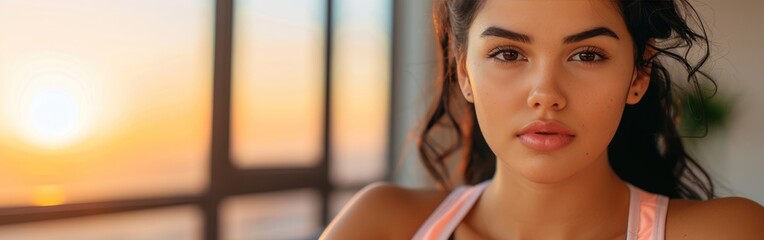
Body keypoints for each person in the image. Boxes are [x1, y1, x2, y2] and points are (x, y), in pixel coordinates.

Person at [320, 0, 764, 239]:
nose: (546, 95)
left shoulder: (729, 232)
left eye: (587, 55)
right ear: (463, 72)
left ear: (638, 73)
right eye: (508, 53)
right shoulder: (381, 226)